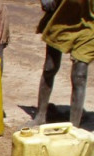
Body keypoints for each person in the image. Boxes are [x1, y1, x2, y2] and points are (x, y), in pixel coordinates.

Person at [30, 0, 93, 128]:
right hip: (61, 17)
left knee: (79, 75)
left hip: (89, 22)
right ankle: (41, 116)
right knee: (50, 67)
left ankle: (73, 126)